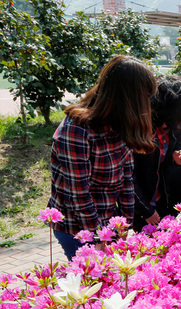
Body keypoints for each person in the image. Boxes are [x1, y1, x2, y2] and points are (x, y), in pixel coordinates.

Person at [47, 55, 157, 259]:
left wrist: (123, 228)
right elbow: (79, 194)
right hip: (77, 227)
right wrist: (98, 238)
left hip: (107, 223)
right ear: (125, 98)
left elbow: (126, 180)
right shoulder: (76, 129)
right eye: (143, 98)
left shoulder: (119, 122)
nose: (146, 106)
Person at [132, 76, 181, 232]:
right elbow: (128, 178)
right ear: (170, 112)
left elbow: (177, 148)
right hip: (143, 205)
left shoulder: (177, 125)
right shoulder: (140, 132)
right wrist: (146, 210)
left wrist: (176, 159)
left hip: (164, 198)